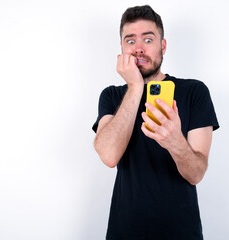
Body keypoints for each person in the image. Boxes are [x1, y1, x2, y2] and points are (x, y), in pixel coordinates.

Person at [92, 5, 219, 240]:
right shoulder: (111, 96)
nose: (139, 48)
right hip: (124, 232)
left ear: (163, 46)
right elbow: (109, 156)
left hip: (181, 233)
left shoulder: (195, 92)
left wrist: (174, 142)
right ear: (121, 49)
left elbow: (196, 173)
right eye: (130, 41)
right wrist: (136, 87)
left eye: (148, 39)